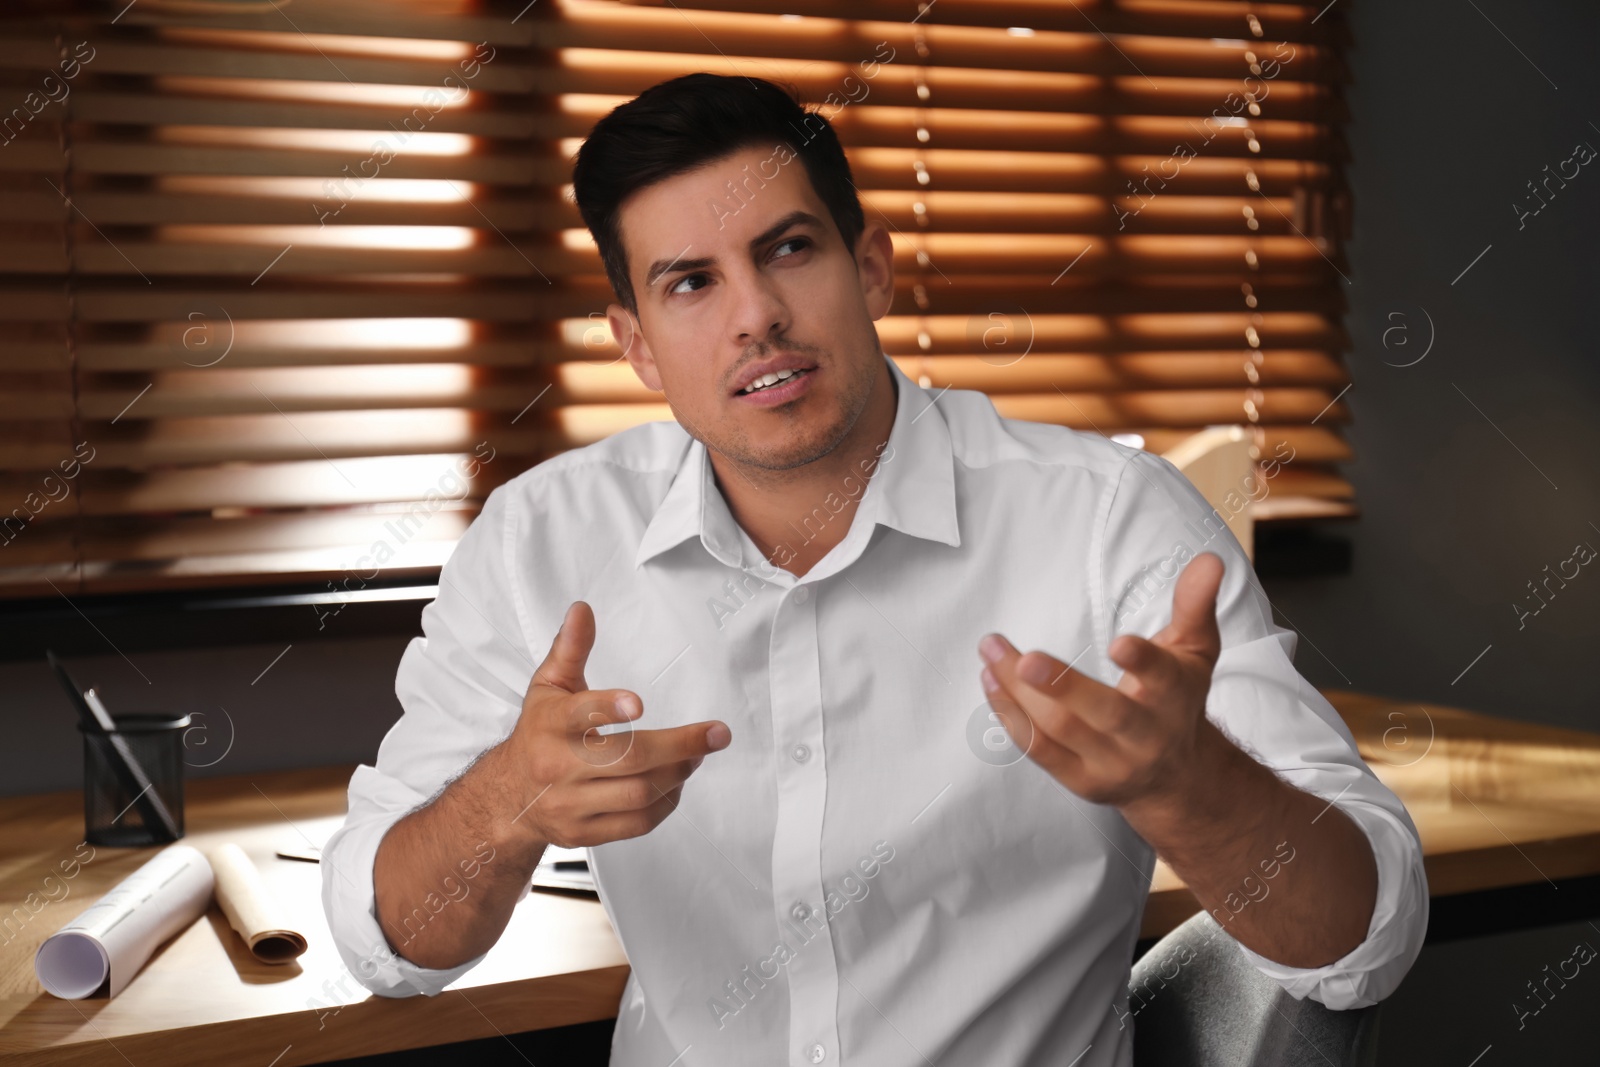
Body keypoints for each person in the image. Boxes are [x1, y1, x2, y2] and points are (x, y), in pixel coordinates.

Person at [321, 72, 1427, 1067]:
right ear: (639, 343)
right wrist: (506, 802)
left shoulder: (1106, 522)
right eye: (691, 283)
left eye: (787, 250)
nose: (755, 315)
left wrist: (1191, 785)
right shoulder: (538, 542)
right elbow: (389, 945)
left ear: (873, 268)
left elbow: (1363, 945)